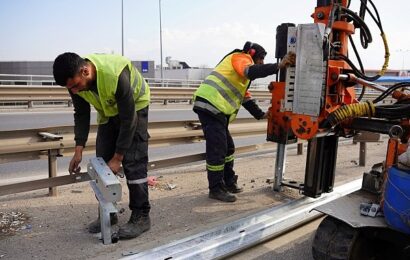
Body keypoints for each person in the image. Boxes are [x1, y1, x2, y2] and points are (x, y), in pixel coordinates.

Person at [53, 52, 151, 239]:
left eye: (75, 86)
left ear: (85, 71)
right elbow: (81, 114)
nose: (74, 91)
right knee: (101, 166)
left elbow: (128, 119)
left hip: (135, 107)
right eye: (70, 88)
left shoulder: (115, 74)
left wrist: (118, 157)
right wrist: (78, 149)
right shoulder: (74, 83)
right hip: (108, 112)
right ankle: (108, 214)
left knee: (134, 162)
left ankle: (142, 216)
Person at [193, 41, 295, 202]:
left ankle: (228, 182)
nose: (261, 63)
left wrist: (261, 115)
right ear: (253, 54)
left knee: (228, 148)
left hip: (217, 110)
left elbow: (245, 98)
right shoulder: (241, 57)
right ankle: (216, 189)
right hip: (210, 105)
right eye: (260, 59)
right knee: (218, 149)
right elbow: (250, 71)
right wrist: (278, 66)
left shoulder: (240, 77)